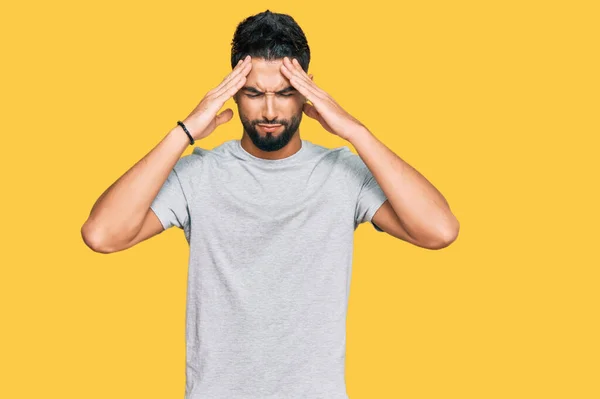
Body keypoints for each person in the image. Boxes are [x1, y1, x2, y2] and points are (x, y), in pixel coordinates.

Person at [81, 9, 459, 399]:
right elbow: (102, 234)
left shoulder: (342, 174)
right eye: (254, 93)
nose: (270, 111)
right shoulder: (199, 175)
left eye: (285, 92)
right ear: (233, 90)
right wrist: (185, 131)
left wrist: (354, 131)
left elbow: (439, 230)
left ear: (308, 89)